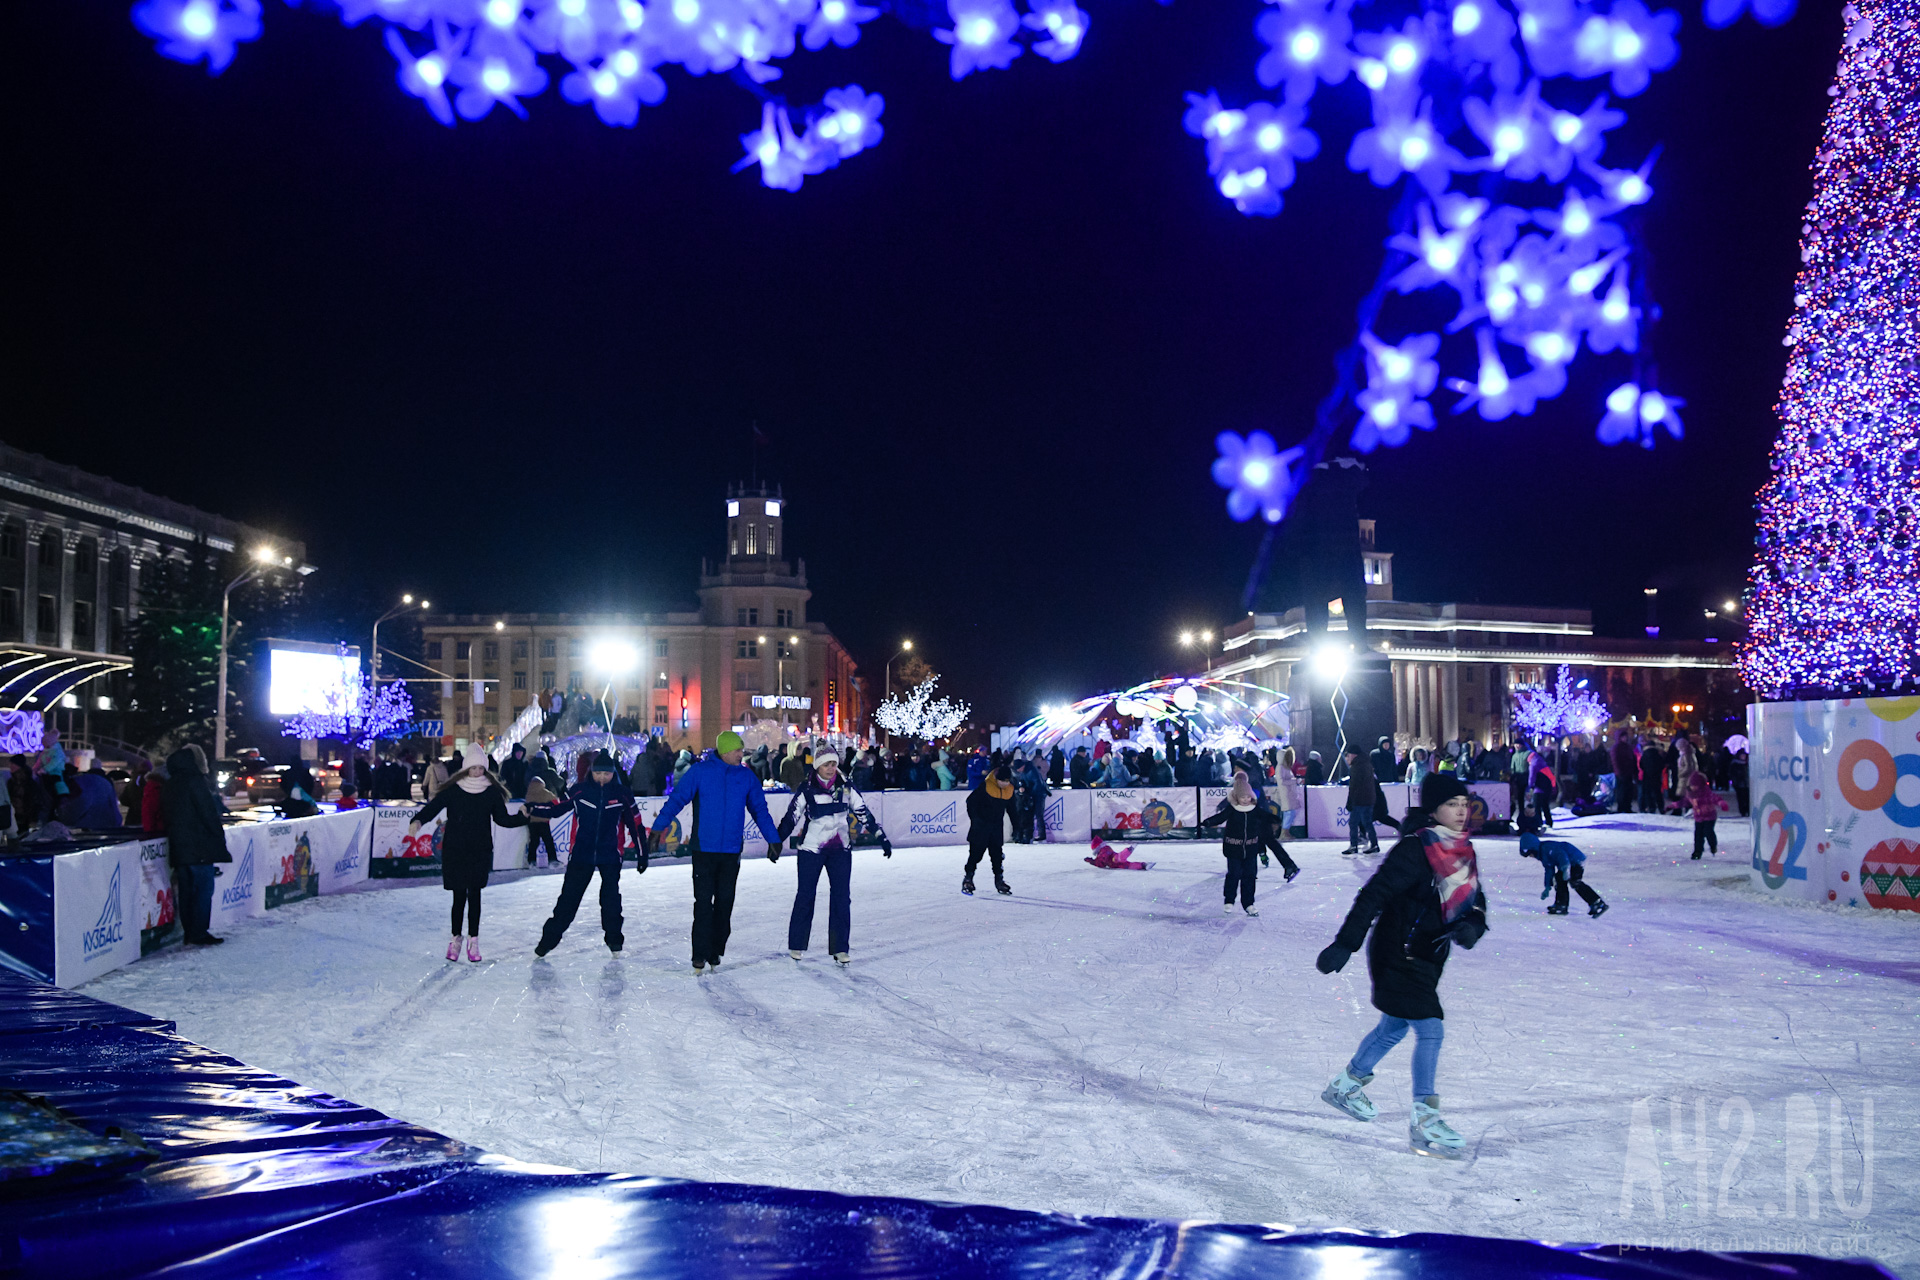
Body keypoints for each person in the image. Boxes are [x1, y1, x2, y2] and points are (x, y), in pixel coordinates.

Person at [1315, 774, 1487, 1160]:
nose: (1461, 810)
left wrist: (1472, 924)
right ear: (1433, 809)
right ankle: (1425, 1120)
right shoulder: (1415, 849)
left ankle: (1345, 1086)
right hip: (1398, 952)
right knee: (1430, 1027)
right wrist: (1345, 943)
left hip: (1427, 955)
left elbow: (1475, 901)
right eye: (1451, 804)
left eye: (1464, 802)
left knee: (1393, 1026)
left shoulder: (1462, 850)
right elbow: (1373, 894)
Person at [652, 731, 781, 975]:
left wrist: (772, 839)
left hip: (731, 852)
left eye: (741, 750)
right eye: (737, 750)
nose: (740, 754)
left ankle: (716, 950)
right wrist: (658, 828)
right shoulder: (700, 772)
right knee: (702, 904)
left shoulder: (746, 777)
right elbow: (677, 799)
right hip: (704, 850)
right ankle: (699, 954)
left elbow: (760, 811)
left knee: (725, 903)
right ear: (724, 751)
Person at [408, 745, 530, 963]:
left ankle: (474, 940)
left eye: (480, 768)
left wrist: (522, 817)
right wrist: (417, 820)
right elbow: (433, 807)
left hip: (479, 850)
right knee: (458, 896)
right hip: (455, 849)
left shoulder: (491, 792)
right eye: (473, 768)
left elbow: (502, 819)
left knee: (475, 895)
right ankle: (456, 938)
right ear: (465, 768)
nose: (477, 772)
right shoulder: (453, 790)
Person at [773, 748, 892, 965]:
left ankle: (840, 948)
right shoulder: (807, 788)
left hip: (840, 851)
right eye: (826, 764)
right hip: (811, 850)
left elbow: (863, 812)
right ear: (817, 765)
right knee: (805, 896)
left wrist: (880, 836)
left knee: (841, 897)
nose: (831, 768)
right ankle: (797, 944)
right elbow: (792, 816)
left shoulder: (846, 788)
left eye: (834, 764)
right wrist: (776, 842)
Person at [532, 751, 644, 957]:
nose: (602, 778)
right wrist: (532, 808)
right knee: (568, 900)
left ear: (613, 774)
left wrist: (642, 853)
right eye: (598, 773)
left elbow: (635, 824)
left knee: (610, 900)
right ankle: (547, 942)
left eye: (607, 774)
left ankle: (614, 941)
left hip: (610, 853)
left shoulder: (622, 794)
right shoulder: (580, 791)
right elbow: (556, 808)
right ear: (591, 772)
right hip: (582, 852)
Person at [1199, 770, 1299, 915]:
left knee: (1250, 875)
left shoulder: (1254, 809)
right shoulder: (1232, 809)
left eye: (1247, 796)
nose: (1245, 800)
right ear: (1236, 796)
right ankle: (1229, 900)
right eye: (1242, 797)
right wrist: (1208, 822)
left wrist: (1275, 819)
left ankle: (1248, 903)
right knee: (1234, 874)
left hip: (1251, 847)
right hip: (1234, 848)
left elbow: (1265, 815)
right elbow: (1220, 817)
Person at [162, 745, 231, 947]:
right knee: (203, 889)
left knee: (186, 890)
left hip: (179, 845)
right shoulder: (195, 781)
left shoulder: (170, 783)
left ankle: (189, 931)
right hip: (199, 845)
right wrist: (218, 835)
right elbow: (207, 812)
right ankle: (199, 932)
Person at [1519, 831, 1609, 917]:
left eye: (1529, 853)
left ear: (1533, 849)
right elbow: (1549, 870)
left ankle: (1597, 902)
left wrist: (1566, 868)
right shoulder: (1542, 854)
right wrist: (1547, 887)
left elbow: (1562, 855)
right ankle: (1561, 904)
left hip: (1575, 860)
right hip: (1567, 864)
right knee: (1559, 880)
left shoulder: (1548, 848)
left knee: (1575, 882)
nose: (1530, 856)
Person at [963, 765, 1015, 895]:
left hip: (996, 828)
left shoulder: (1009, 790)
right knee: (976, 854)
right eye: (1002, 780)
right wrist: (976, 820)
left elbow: (1012, 810)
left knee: (997, 855)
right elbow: (970, 802)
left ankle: (999, 880)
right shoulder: (985, 787)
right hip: (980, 828)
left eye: (1007, 781)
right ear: (997, 779)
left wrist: (1017, 825)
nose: (1005, 783)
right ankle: (968, 878)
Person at [1687, 769, 1729, 859]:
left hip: (1709, 816)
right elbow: (1684, 802)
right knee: (1698, 835)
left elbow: (1716, 798)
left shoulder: (1707, 793)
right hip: (1698, 817)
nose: (1693, 787)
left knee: (1708, 831)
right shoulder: (1691, 794)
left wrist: (1722, 803)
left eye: (1695, 785)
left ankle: (1713, 846)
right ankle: (1697, 852)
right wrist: (1673, 805)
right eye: (1692, 785)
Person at [1344, 746, 1378, 855]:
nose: (1348, 758)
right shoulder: (1366, 763)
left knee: (1353, 822)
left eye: (1348, 755)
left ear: (1354, 755)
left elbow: (1354, 786)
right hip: (1368, 798)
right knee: (1367, 822)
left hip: (1359, 799)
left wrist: (1350, 801)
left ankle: (1354, 845)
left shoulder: (1356, 766)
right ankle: (1374, 844)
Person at [523, 776, 561, 868]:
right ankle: (552, 860)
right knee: (548, 841)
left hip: (532, 821)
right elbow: (556, 802)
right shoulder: (545, 792)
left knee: (533, 842)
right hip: (543, 821)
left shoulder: (529, 793)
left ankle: (531, 861)